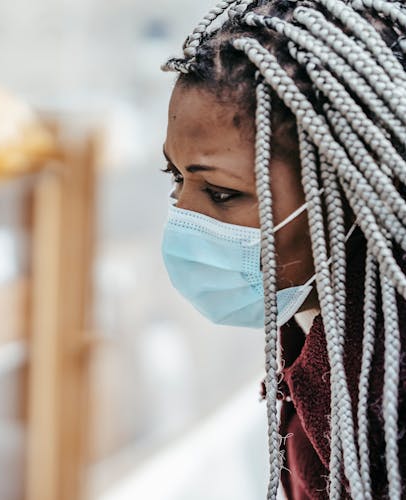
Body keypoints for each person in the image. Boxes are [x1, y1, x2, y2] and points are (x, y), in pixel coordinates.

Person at [159, 0, 406, 499]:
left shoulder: (386, 397)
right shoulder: (320, 331)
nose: (181, 215)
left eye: (223, 193)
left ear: (351, 191)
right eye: (176, 177)